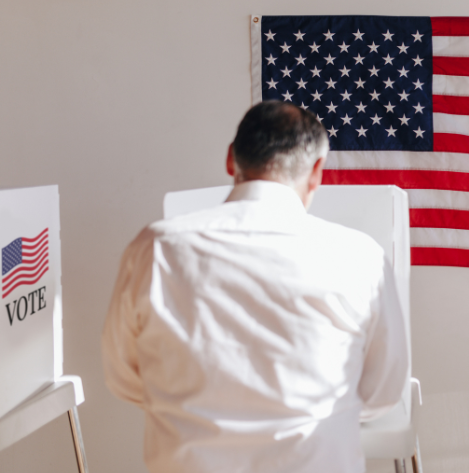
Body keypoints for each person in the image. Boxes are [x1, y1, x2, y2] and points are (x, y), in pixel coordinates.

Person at [102, 101, 408, 473]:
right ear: (316, 173)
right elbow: (382, 393)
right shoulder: (362, 257)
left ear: (232, 161)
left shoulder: (154, 248)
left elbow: (124, 376)